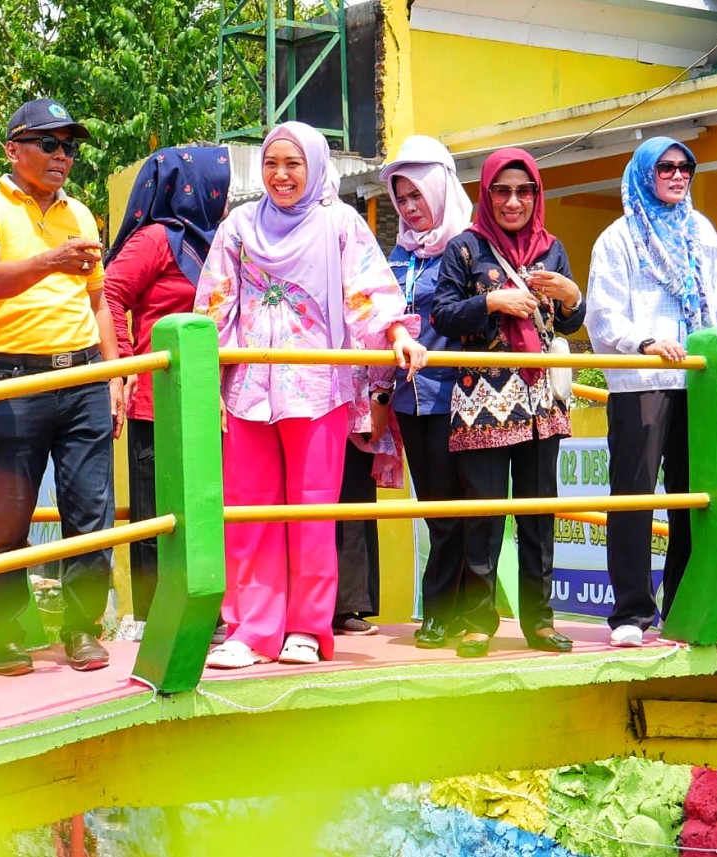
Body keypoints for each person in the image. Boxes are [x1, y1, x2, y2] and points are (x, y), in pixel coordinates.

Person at [197, 121, 424, 670]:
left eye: (293, 164)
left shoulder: (339, 223)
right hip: (249, 390)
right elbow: (214, 302)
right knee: (250, 514)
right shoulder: (238, 227)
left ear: (316, 167)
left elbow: (369, 292)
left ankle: (306, 626)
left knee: (312, 513)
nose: (281, 175)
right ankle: (250, 630)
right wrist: (210, 379)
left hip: (318, 388)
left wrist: (396, 335)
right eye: (272, 163)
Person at [0, 97, 121, 676]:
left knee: (91, 510)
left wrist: (113, 372)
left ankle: (82, 629)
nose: (62, 156)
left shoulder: (81, 214)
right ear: (12, 149)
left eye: (69, 147)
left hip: (83, 377)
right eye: (49, 144)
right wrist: (52, 259)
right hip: (12, 378)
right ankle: (6, 635)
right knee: (7, 513)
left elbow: (98, 302)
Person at [587, 136, 717, 648]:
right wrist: (645, 341)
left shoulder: (700, 233)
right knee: (633, 495)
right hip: (643, 380)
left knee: (694, 500)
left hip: (699, 381)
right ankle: (630, 613)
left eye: (685, 167)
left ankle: (682, 607)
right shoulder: (618, 237)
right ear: (644, 174)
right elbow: (603, 316)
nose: (676, 175)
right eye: (665, 167)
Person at [431, 147, 585, 658]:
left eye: (524, 191)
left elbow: (563, 325)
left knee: (539, 513)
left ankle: (541, 623)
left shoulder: (552, 247)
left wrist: (571, 297)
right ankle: (479, 623)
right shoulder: (465, 249)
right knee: (485, 514)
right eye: (503, 190)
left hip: (541, 399)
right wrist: (492, 301)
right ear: (487, 194)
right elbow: (443, 316)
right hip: (482, 399)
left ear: (536, 195)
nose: (514, 201)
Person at [104, 145, 233, 628]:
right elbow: (110, 292)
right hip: (155, 399)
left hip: (210, 399)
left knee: (206, 508)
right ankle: (157, 614)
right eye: (216, 184)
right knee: (156, 510)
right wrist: (124, 363)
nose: (223, 196)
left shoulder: (218, 239)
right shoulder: (158, 238)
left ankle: (209, 613)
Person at [374, 134, 478, 648]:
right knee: (437, 507)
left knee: (462, 505)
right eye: (402, 199)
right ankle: (447, 607)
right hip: (411, 401)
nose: (411, 208)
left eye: (418, 195)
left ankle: (449, 609)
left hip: (462, 397)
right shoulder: (399, 256)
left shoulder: (472, 249)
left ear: (441, 189)